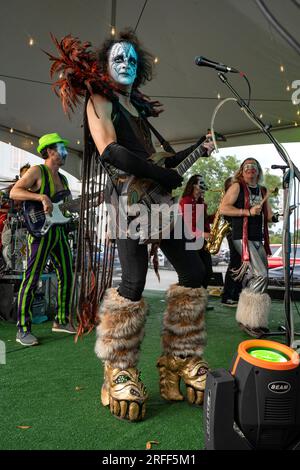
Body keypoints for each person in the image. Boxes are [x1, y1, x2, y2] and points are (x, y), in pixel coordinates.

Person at [82, 29, 215, 422]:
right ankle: (117, 366)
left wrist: (199, 150)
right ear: (105, 64)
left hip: (157, 200)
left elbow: (164, 165)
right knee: (133, 282)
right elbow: (111, 150)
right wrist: (158, 170)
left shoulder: (138, 109)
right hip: (127, 201)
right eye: (118, 58)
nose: (125, 64)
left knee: (194, 271)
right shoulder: (99, 98)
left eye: (132, 60)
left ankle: (180, 359)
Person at [10, 133, 75, 346]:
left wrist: (77, 208)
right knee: (32, 278)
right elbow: (14, 192)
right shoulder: (37, 171)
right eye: (61, 149)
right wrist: (41, 196)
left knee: (67, 274)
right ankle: (23, 329)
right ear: (49, 151)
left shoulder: (64, 179)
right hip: (39, 232)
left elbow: (64, 208)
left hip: (58, 232)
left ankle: (61, 320)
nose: (65, 152)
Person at [220, 158, 277, 337]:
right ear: (242, 171)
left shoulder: (262, 190)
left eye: (253, 167)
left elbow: (268, 216)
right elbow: (223, 208)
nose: (250, 169)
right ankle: (247, 320)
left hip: (258, 237)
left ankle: (254, 320)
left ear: (258, 171)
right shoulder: (237, 186)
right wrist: (247, 211)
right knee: (261, 275)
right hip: (241, 236)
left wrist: (277, 216)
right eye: (247, 167)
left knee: (260, 278)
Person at [180, 174, 214, 290]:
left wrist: (217, 215)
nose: (204, 184)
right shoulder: (186, 201)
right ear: (194, 185)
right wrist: (203, 234)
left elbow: (203, 220)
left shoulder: (200, 202)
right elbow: (187, 227)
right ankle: (187, 298)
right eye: (201, 182)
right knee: (194, 273)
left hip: (201, 241)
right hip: (190, 241)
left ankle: (200, 296)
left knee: (208, 272)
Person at [220, 177, 242, 307]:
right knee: (235, 262)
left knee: (240, 263)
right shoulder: (228, 200)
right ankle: (227, 296)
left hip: (239, 232)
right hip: (232, 232)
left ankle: (236, 294)